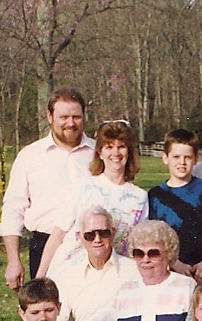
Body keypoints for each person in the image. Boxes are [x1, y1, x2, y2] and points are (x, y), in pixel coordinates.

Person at [0, 87, 95, 289]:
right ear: (50, 117)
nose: (70, 123)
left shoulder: (99, 153)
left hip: (92, 246)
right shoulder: (31, 156)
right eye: (64, 117)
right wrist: (13, 260)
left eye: (76, 117)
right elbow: (14, 208)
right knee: (47, 307)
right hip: (45, 246)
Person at [36, 119, 148, 278]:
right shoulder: (83, 186)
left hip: (114, 274)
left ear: (129, 152)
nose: (115, 153)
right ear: (100, 153)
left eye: (121, 147)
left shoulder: (139, 197)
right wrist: (40, 277)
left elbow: (138, 243)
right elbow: (58, 234)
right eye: (109, 147)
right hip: (72, 271)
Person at [48, 206, 138, 321]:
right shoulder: (69, 276)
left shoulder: (134, 271)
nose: (97, 239)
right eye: (90, 235)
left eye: (103, 233)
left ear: (113, 233)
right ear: (79, 237)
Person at [148, 129, 202, 281]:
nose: (182, 162)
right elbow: (156, 237)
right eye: (176, 157)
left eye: (187, 157)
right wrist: (175, 263)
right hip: (172, 272)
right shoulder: (155, 195)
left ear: (196, 159)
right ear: (165, 158)